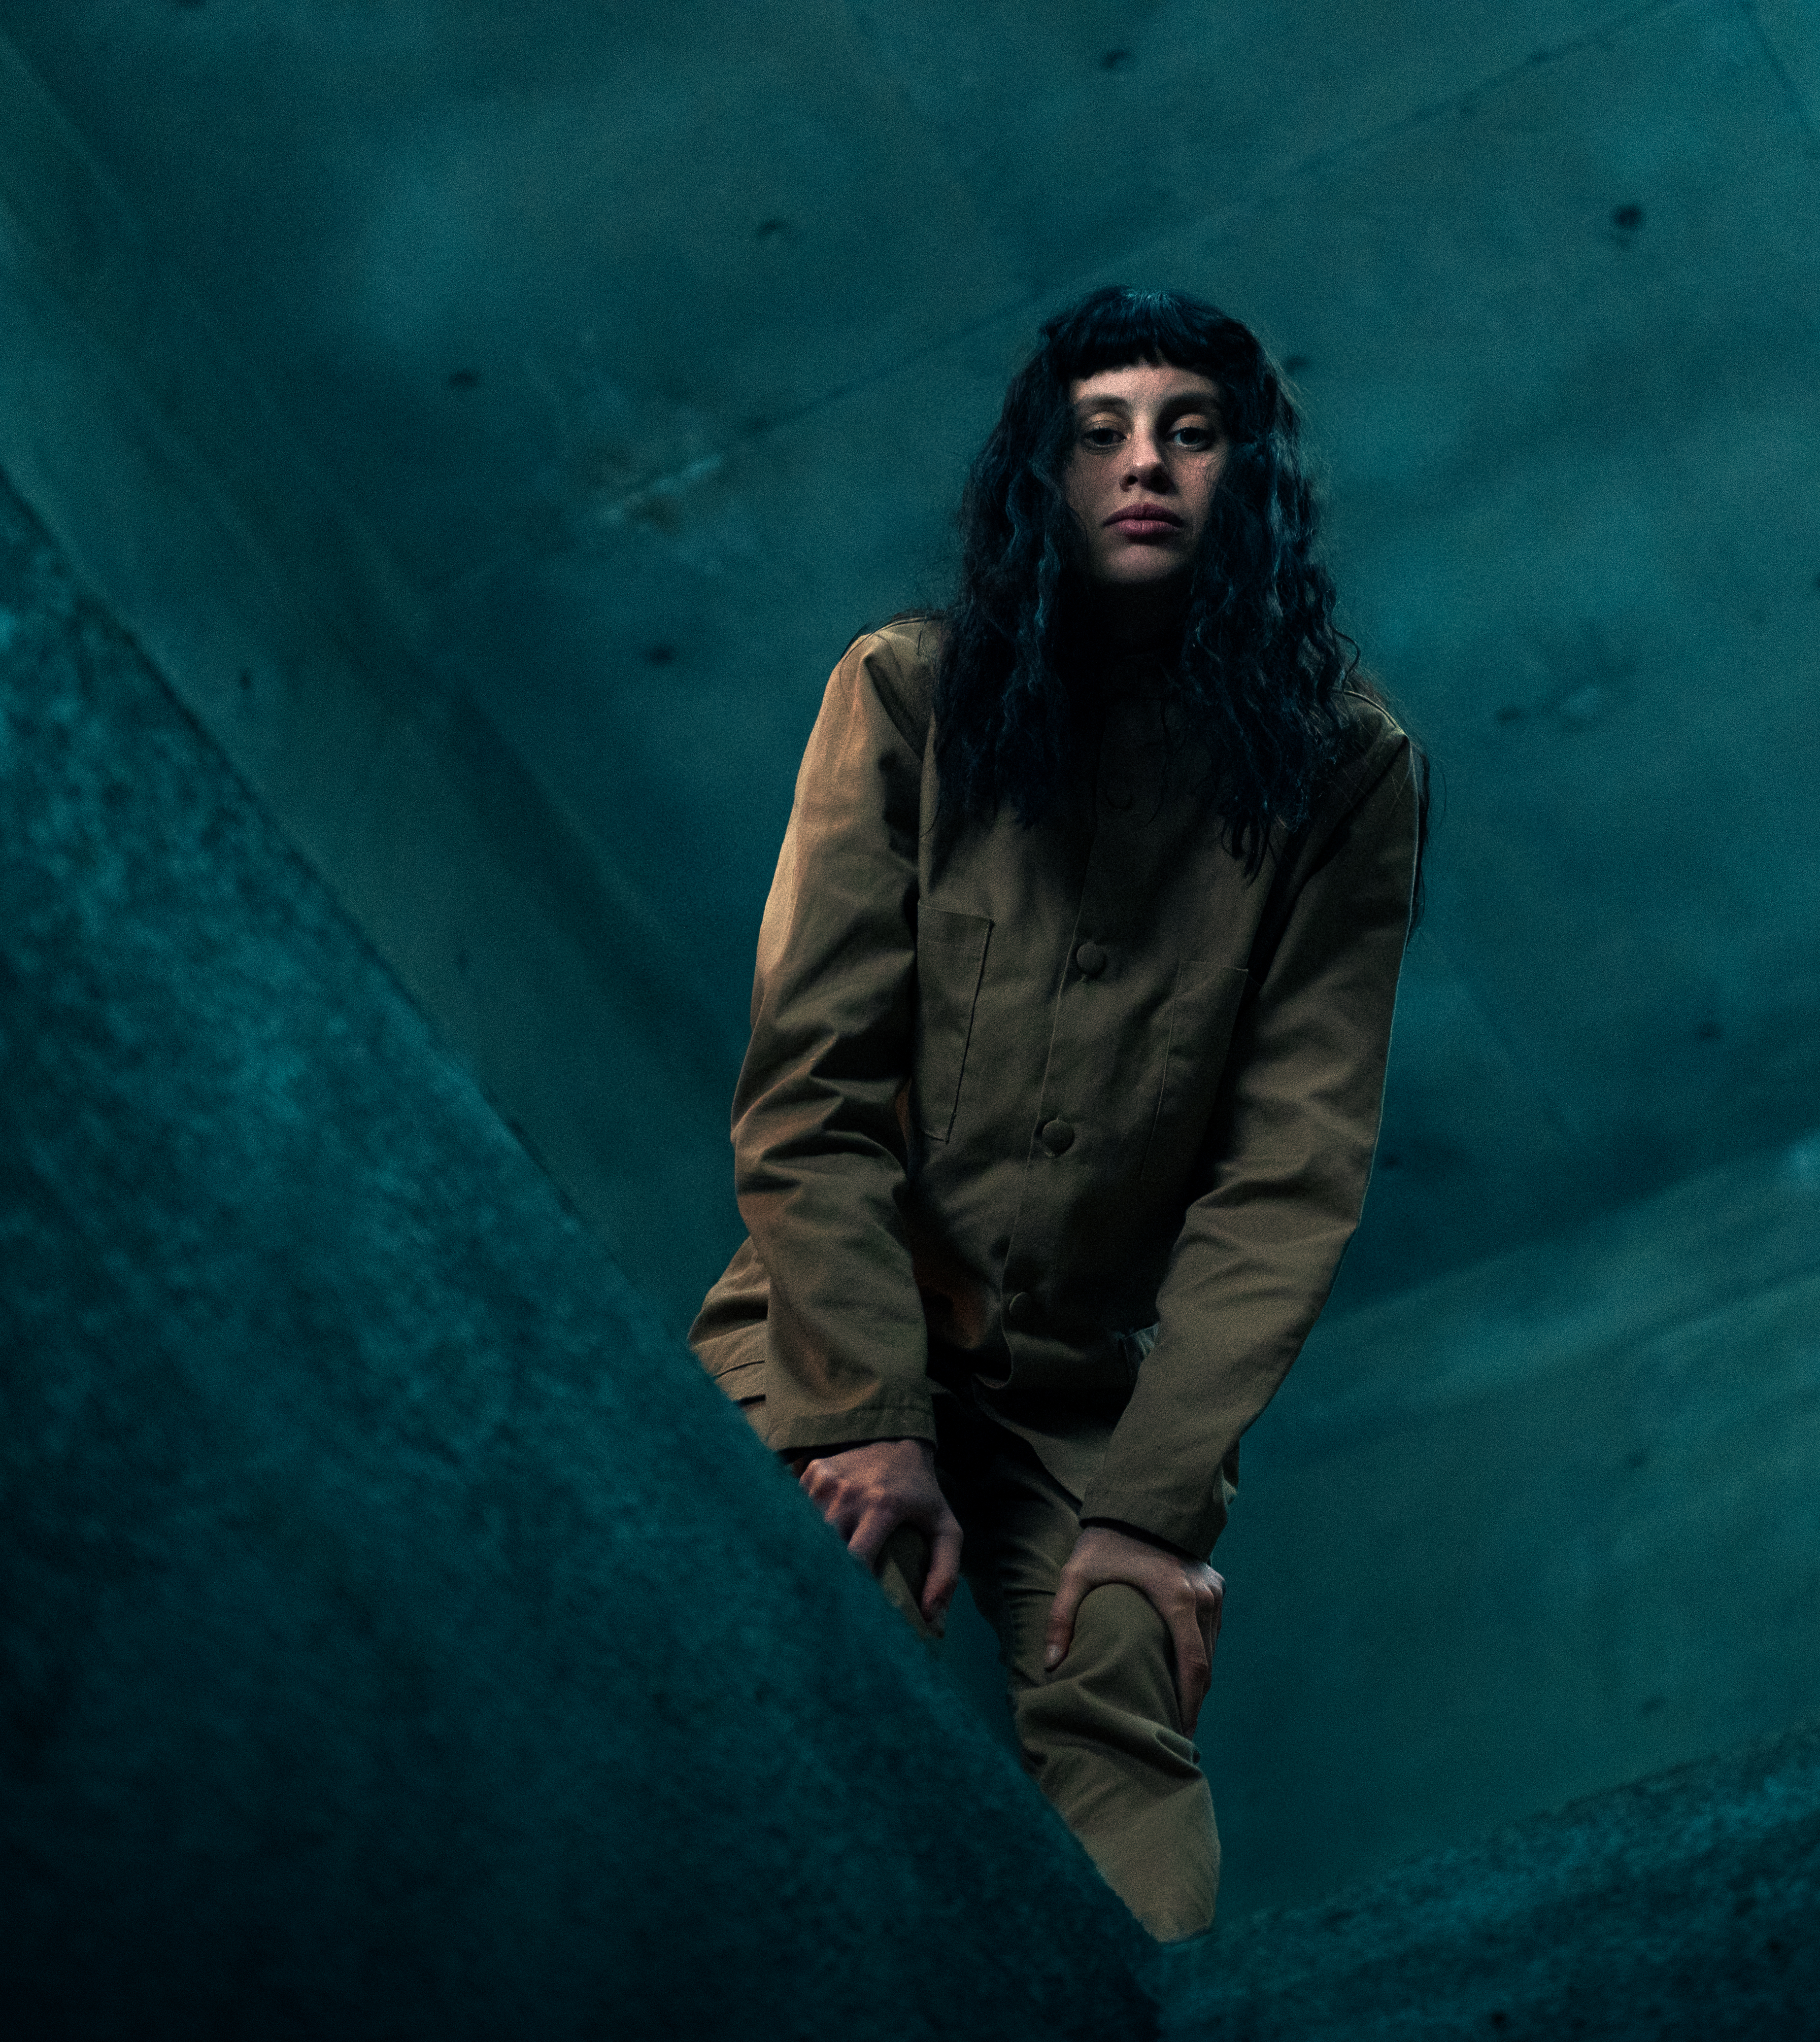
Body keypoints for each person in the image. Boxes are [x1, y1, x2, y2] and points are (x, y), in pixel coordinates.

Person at [687, 284, 1423, 1941]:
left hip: (1090, 1404)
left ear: (1251, 473)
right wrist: (870, 1409)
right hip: (828, 1321)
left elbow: (1286, 1186)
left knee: (1119, 1688)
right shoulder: (905, 694)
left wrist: (1153, 1514)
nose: (1144, 464)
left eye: (1190, 429)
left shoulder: (1344, 775)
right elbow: (810, 1091)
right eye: (1101, 435)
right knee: (822, 1577)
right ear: (1049, 473)